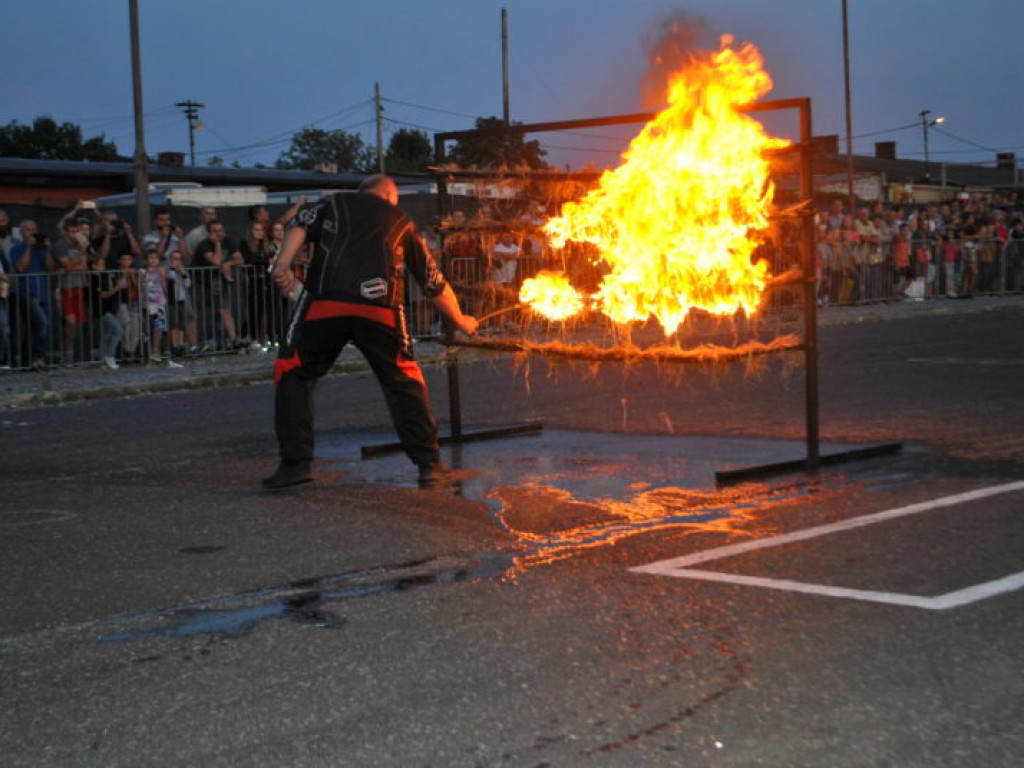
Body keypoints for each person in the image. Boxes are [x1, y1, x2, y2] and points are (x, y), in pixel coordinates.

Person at [264, 174, 478, 490]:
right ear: (390, 195)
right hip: (381, 307)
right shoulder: (401, 219)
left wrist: (282, 264)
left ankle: (295, 465)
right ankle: (429, 464)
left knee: (293, 371)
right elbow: (433, 281)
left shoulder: (333, 202)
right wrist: (461, 320)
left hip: (325, 303)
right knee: (403, 378)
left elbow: (299, 225)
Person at [192, 219, 245, 349]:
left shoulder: (228, 241)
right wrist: (217, 244)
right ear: (209, 233)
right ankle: (198, 343)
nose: (219, 234)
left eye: (220, 230)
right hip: (201, 283)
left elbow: (240, 258)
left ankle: (233, 339)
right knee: (200, 313)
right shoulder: (204, 244)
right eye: (215, 231)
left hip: (218, 281)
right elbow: (216, 261)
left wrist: (228, 263)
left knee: (225, 310)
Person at [9, 220, 53, 367]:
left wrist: (47, 249)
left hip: (42, 292)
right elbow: (21, 268)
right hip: (26, 293)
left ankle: (26, 361)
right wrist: (28, 247)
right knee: (42, 323)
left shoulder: (40, 249)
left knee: (34, 328)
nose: (32, 233)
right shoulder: (17, 248)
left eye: (34, 230)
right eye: (28, 230)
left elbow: (50, 267)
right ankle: (37, 357)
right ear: (22, 233)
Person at [88, 253, 125, 370]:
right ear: (93, 266)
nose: (102, 267)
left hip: (109, 308)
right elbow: (103, 294)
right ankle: (110, 355)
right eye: (99, 265)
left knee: (107, 334)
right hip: (102, 310)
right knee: (118, 330)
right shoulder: (94, 279)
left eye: (103, 265)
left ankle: (103, 356)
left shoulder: (104, 276)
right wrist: (117, 287)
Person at [166, 249, 199, 356]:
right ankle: (174, 345)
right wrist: (173, 268)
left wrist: (184, 273)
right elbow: (170, 277)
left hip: (181, 299)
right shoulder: (169, 270)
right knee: (173, 323)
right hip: (172, 300)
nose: (177, 261)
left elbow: (188, 284)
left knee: (180, 323)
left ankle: (180, 345)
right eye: (175, 259)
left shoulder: (182, 270)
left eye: (179, 259)